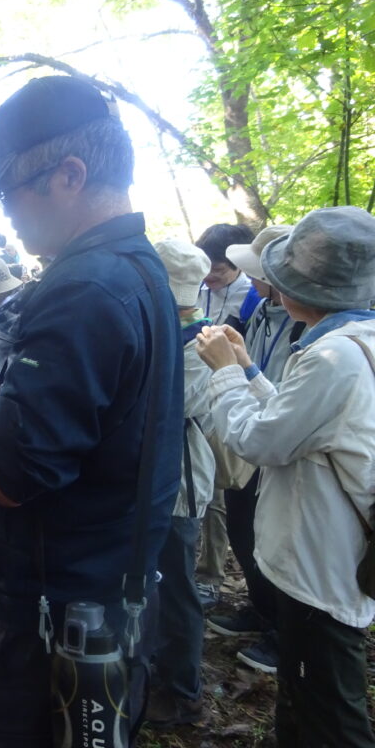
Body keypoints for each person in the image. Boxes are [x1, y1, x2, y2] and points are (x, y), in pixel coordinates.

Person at [0, 75, 182, 746]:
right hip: (101, 599)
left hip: (38, 628)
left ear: (70, 175)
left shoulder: (85, 288)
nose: (6, 213)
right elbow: (92, 425)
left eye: (10, 190)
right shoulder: (135, 268)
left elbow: (12, 471)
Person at [195, 206, 375, 748]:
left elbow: (260, 441)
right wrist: (249, 369)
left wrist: (225, 372)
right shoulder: (350, 341)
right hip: (326, 553)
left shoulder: (334, 357)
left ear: (302, 288)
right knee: (304, 690)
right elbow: (299, 424)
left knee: (330, 705)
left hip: (320, 564)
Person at [206, 225, 303, 675]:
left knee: (279, 540)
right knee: (243, 527)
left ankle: (284, 634)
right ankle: (261, 609)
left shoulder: (309, 326)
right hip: (249, 423)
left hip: (277, 439)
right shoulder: (263, 309)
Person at [145, 239, 216, 727]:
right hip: (158, 476)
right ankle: (158, 667)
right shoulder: (174, 331)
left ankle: (183, 690)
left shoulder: (197, 343)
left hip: (179, 480)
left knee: (176, 586)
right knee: (158, 579)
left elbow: (172, 405)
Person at [194, 222, 259, 610]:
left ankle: (210, 576)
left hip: (230, 401)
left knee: (219, 492)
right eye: (206, 267)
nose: (210, 276)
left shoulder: (251, 299)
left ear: (237, 265)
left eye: (218, 269)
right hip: (196, 400)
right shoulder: (198, 289)